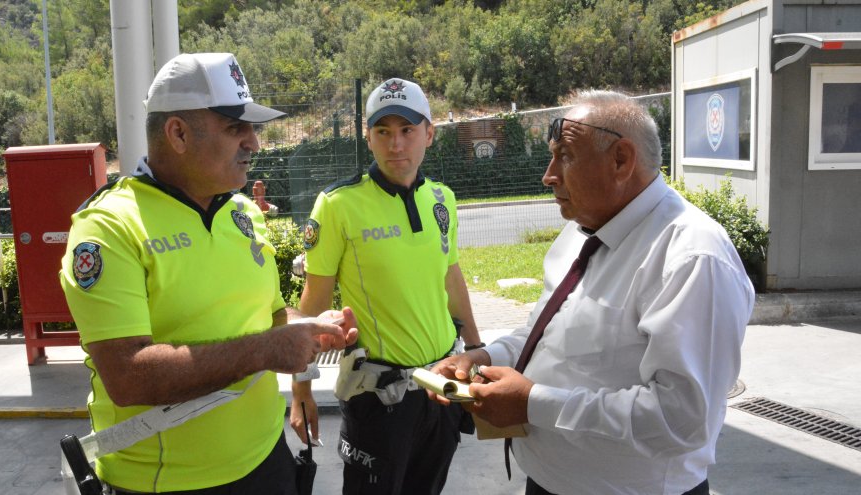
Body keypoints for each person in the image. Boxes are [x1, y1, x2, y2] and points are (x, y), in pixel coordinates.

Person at [59, 52, 358, 495]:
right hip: (168, 484)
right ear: (177, 133)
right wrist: (266, 350)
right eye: (236, 128)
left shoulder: (243, 214)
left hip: (266, 458)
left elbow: (269, 318)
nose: (254, 144)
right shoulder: (109, 226)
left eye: (253, 129)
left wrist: (307, 329)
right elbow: (127, 375)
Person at [430, 90, 755, 495]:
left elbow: (682, 419)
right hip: (547, 482)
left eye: (564, 156)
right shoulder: (582, 232)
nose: (549, 175)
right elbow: (544, 332)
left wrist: (533, 403)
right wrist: (483, 357)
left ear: (621, 160)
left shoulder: (692, 256)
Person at [292, 77, 482, 494]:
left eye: (407, 131)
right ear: (369, 138)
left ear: (429, 134)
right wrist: (301, 387)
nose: (396, 144)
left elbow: (452, 278)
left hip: (441, 386)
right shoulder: (339, 204)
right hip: (378, 397)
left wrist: (475, 350)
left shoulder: (441, 199)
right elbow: (314, 303)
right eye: (383, 132)